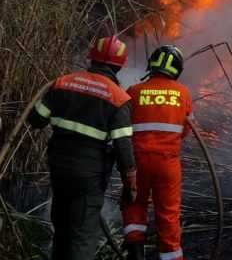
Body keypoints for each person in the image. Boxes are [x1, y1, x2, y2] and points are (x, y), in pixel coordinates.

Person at [28, 35, 137, 260]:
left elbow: (37, 120)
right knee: (82, 237)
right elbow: (123, 147)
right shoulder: (119, 99)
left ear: (92, 58)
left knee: (62, 229)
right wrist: (130, 184)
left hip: (58, 169)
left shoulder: (63, 83)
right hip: (89, 177)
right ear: (119, 65)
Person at [122, 45, 192, 260]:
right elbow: (186, 130)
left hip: (138, 161)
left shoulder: (133, 91)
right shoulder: (183, 93)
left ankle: (135, 252)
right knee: (169, 213)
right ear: (177, 69)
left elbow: (122, 128)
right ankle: (171, 256)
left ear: (151, 64)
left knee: (134, 202)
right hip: (167, 164)